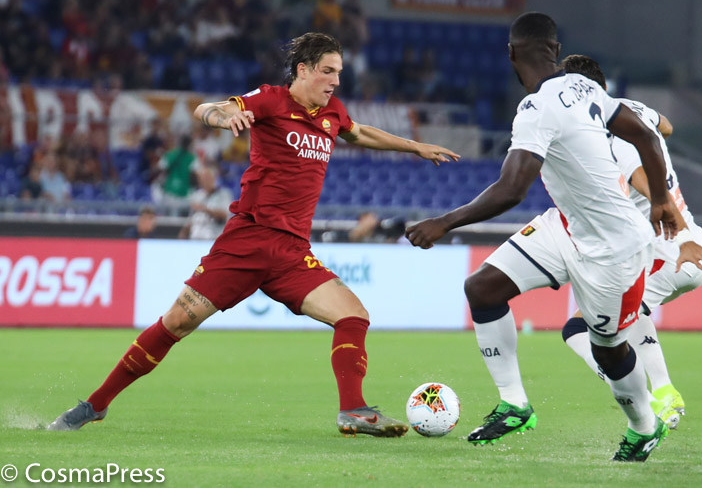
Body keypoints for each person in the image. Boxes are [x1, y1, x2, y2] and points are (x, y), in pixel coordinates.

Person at [48, 32, 460, 437]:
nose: (336, 80)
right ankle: (94, 405)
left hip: (292, 252)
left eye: (339, 72)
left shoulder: (332, 112)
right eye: (328, 71)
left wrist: (415, 146)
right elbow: (206, 109)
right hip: (246, 243)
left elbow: (360, 132)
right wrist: (227, 116)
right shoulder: (271, 100)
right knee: (175, 323)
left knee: (353, 315)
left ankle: (352, 409)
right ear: (303, 70)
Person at [407, 12, 697, 461]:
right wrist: (660, 196)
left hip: (612, 249)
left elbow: (511, 190)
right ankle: (515, 404)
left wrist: (443, 223)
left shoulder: (534, 110)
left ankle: (643, 426)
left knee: (607, 349)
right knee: (482, 287)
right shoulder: (586, 88)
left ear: (511, 53)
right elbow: (648, 131)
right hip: (565, 226)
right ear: (556, 51)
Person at [558, 54, 702, 429]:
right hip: (682, 248)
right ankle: (659, 392)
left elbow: (644, 183)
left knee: (581, 329)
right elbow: (667, 126)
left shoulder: (613, 135)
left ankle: (653, 397)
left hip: (675, 250)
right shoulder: (633, 110)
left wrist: (675, 228)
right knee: (626, 315)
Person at [178, 165, 232, 240]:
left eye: (207, 178)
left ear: (214, 178)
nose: (204, 181)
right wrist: (184, 231)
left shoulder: (223, 194)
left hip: (213, 238)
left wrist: (204, 209)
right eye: (202, 178)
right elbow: (191, 218)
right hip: (195, 238)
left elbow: (224, 214)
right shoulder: (197, 195)